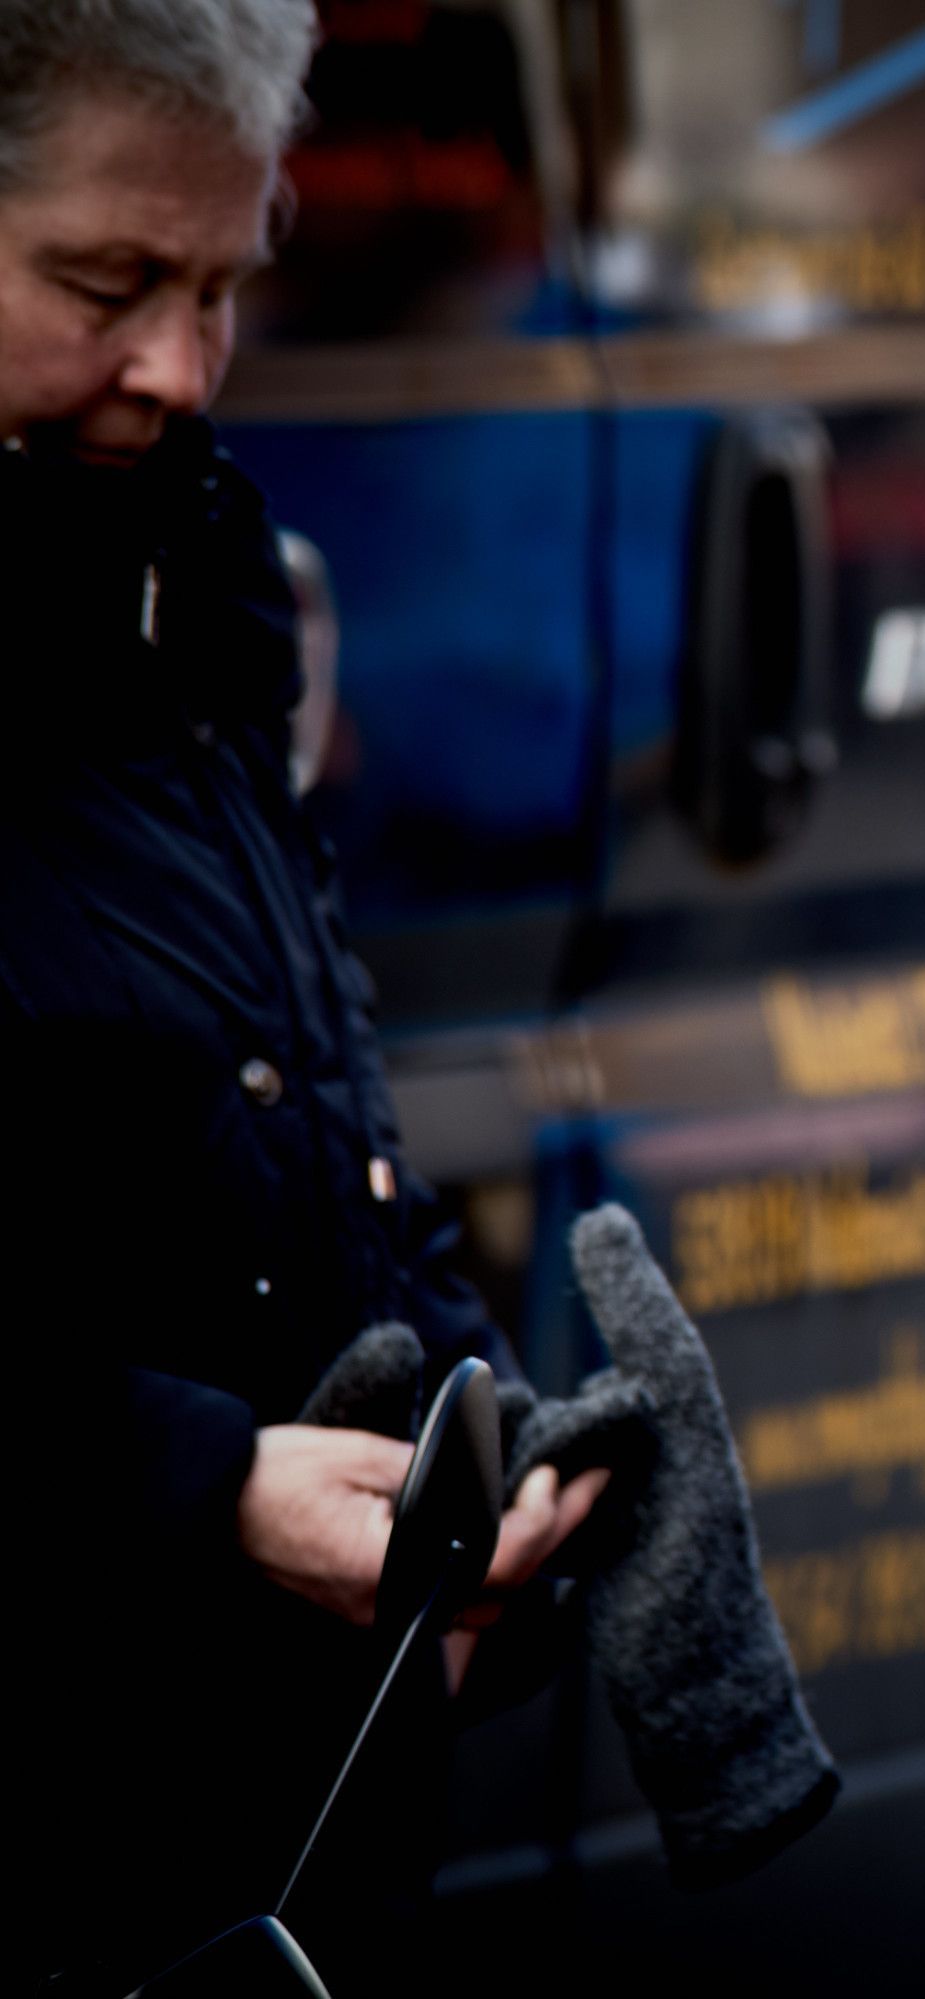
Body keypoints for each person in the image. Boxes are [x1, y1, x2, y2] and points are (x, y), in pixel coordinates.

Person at [1, 6, 604, 1990]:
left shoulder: (187, 560)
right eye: (103, 285)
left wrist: (456, 1417)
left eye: (221, 287)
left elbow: (302, 1048)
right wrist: (206, 1488)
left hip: (257, 1819)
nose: (174, 367)